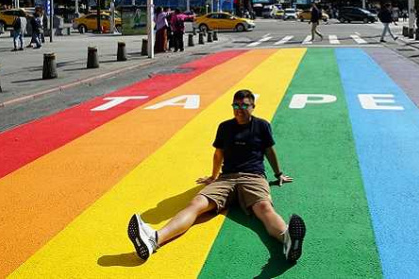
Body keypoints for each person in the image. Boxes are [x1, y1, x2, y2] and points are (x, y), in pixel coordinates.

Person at [127, 90, 306, 263]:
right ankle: (154, 240)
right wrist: (213, 177)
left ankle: (288, 240)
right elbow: (218, 155)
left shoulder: (262, 125)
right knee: (196, 204)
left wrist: (278, 174)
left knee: (265, 208)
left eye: (244, 105)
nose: (239, 109)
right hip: (226, 178)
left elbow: (269, 150)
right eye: (235, 105)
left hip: (253, 177)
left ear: (253, 106)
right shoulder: (225, 127)